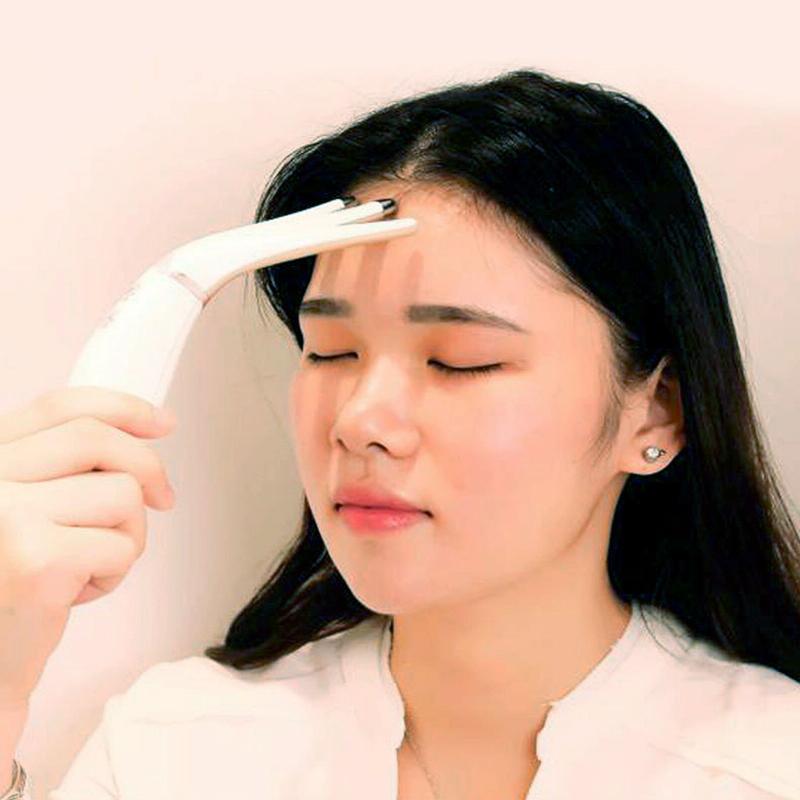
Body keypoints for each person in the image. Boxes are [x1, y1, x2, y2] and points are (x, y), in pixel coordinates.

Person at [2, 67, 799, 800]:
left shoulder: (765, 766)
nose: (359, 421)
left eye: (459, 360)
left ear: (656, 412)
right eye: (330, 350)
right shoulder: (174, 751)